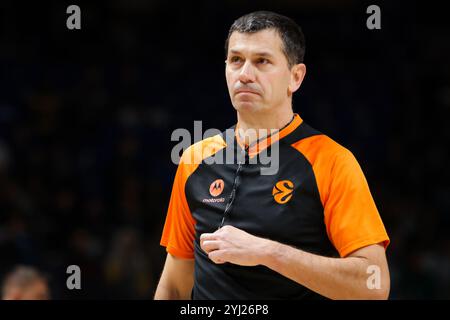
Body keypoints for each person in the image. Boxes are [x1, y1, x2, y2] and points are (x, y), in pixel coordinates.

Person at [154, 11, 390, 300]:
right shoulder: (194, 160)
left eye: (262, 61)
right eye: (236, 60)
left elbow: (374, 285)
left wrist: (268, 252)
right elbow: (175, 284)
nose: (245, 74)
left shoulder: (331, 161)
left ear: (295, 77)